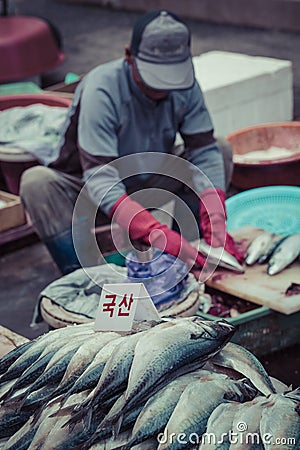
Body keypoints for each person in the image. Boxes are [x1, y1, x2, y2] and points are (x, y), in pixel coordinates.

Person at [20, 9, 244, 276]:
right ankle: (82, 274)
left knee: (220, 147)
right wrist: (150, 229)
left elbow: (204, 150)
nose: (162, 88)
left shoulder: (187, 85)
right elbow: (100, 176)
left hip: (148, 175)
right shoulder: (102, 87)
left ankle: (194, 253)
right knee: (36, 183)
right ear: (129, 56)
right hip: (87, 187)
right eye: (154, 77)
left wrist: (214, 216)